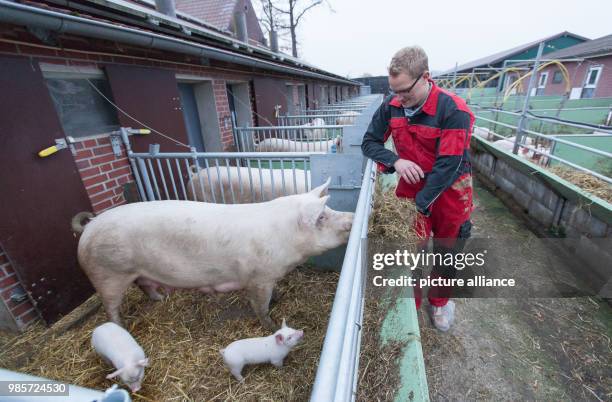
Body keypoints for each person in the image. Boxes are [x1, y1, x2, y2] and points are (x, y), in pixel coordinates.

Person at [362, 46, 475, 332]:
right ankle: (409, 304)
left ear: (425, 77)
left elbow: (449, 164)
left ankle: (439, 303)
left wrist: (421, 204)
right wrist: (395, 160)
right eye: (393, 91)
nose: (398, 98)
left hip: (450, 191)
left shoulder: (453, 110)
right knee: (408, 250)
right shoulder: (392, 106)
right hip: (412, 186)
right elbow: (370, 143)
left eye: (404, 92)